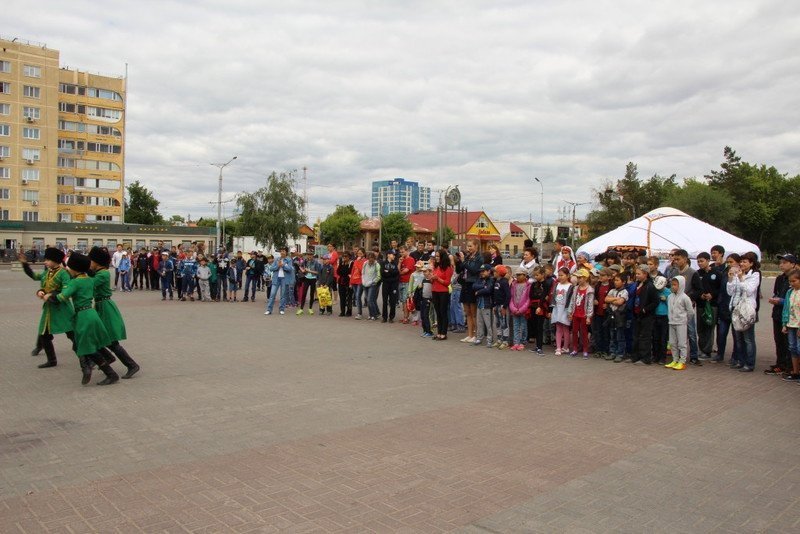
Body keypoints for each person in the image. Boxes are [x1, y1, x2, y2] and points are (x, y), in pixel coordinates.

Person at [44, 253, 119, 386]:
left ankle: (109, 373)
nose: (67, 269)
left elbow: (61, 298)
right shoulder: (89, 279)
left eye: (69, 267)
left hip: (83, 316)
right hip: (91, 313)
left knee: (86, 346)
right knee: (84, 343)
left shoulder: (75, 282)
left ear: (74, 269)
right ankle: (100, 363)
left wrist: (47, 296)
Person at [87, 246, 141, 380]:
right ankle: (107, 358)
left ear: (97, 262)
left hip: (105, 307)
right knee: (99, 336)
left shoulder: (103, 274)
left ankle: (131, 365)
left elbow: (89, 283)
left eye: (91, 261)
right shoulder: (99, 272)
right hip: (100, 306)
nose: (90, 263)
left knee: (111, 341)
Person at [19, 248, 76, 370]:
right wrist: (25, 264)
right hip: (49, 310)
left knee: (72, 334)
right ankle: (52, 360)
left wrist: (52, 295)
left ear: (55, 261)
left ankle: (88, 358)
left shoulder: (63, 273)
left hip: (62, 309)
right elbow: (35, 276)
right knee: (44, 334)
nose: (45, 262)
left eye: (48, 260)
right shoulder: (48, 272)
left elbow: (66, 291)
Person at [727, 251, 761, 372]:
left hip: (747, 310)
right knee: (738, 338)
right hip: (736, 308)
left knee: (748, 338)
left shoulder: (755, 274)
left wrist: (741, 278)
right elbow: (730, 292)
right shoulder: (738, 274)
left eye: (745, 262)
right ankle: (740, 361)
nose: (742, 264)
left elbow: (749, 290)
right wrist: (731, 278)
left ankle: (749, 363)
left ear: (751, 263)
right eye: (741, 261)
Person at [768, 254, 797, 375]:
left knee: (790, 343)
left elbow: (794, 299)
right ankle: (780, 363)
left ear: (793, 264)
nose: (781, 265)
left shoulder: (796, 278)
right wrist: (775, 299)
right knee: (778, 340)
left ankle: (790, 367)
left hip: (792, 316)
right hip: (778, 313)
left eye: (785, 262)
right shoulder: (780, 279)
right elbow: (777, 293)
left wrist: (782, 301)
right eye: (780, 262)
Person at [673, 249, 702, 365]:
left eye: (678, 259)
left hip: (687, 307)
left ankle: (694, 356)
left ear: (685, 259)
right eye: (674, 259)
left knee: (691, 332)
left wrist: (688, 297)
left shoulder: (692, 273)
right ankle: (679, 355)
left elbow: (699, 290)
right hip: (675, 307)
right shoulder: (673, 272)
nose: (676, 261)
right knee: (677, 332)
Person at [630, 266, 659, 365]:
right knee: (636, 336)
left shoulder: (650, 286)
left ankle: (645, 358)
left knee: (645, 337)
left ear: (645, 274)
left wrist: (645, 309)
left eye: (639, 274)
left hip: (646, 316)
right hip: (636, 314)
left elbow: (655, 301)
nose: (637, 276)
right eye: (636, 274)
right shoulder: (637, 284)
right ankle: (635, 356)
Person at [666, 275, 695, 370]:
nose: (673, 286)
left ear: (681, 285)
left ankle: (682, 361)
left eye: (675, 285)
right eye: (672, 284)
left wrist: (685, 319)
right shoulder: (670, 297)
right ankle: (675, 359)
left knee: (682, 343)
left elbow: (690, 311)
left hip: (681, 323)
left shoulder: (685, 298)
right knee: (672, 343)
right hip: (671, 322)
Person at [716, 253, 740, 364]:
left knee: (736, 335)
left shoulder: (740, 274)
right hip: (724, 307)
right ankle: (720, 354)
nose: (729, 264)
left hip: (735, 308)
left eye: (732, 262)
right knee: (721, 333)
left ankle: (735, 356)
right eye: (728, 262)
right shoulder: (725, 273)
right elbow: (722, 289)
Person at [459, 240, 483, 343]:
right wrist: (459, 261)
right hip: (465, 284)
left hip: (472, 284)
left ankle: (476, 334)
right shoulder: (468, 257)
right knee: (467, 312)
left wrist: (464, 261)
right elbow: (460, 269)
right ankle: (469, 334)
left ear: (476, 246)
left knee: (474, 312)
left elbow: (474, 270)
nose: (468, 248)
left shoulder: (479, 258)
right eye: (468, 246)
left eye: (470, 246)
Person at [567, 269, 594, 358]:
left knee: (584, 333)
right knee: (574, 331)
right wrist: (570, 312)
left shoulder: (590, 290)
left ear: (585, 278)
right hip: (575, 313)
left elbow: (590, 304)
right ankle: (575, 349)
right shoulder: (575, 288)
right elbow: (572, 301)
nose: (578, 279)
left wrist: (589, 316)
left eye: (580, 277)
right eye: (577, 277)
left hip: (584, 314)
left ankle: (585, 349)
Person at [780, 269, 800, 381]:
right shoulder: (790, 292)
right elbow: (786, 308)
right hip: (791, 324)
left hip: (798, 325)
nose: (792, 283)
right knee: (792, 348)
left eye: (794, 281)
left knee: (799, 348)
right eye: (790, 281)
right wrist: (784, 323)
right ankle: (795, 372)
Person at [606, 273, 629, 363]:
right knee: (612, 335)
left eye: (617, 280)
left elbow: (620, 302)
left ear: (623, 282)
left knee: (620, 336)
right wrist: (615, 299)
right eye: (614, 280)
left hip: (620, 316)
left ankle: (620, 353)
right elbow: (606, 299)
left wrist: (613, 300)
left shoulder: (625, 292)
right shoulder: (612, 290)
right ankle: (612, 352)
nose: (615, 282)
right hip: (611, 315)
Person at [431, 249, 453, 340]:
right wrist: (431, 277)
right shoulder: (436, 267)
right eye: (435, 256)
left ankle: (444, 333)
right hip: (434, 291)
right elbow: (433, 280)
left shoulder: (448, 268)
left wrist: (437, 278)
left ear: (442, 257)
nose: (436, 258)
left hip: (443, 292)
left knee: (443, 312)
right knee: (438, 313)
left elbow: (447, 282)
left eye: (438, 256)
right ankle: (439, 332)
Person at [551, 267, 573, 356]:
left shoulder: (571, 286)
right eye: (559, 275)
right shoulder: (557, 285)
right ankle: (558, 347)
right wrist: (551, 307)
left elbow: (572, 299)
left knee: (565, 328)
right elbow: (553, 297)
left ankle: (566, 347)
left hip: (565, 309)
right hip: (557, 308)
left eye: (562, 275)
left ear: (567, 275)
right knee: (558, 327)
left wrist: (570, 311)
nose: (560, 277)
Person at [508, 267, 532, 351]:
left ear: (525, 275)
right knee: (516, 327)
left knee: (523, 326)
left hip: (523, 310)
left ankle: (522, 342)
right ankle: (516, 342)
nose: (518, 277)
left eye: (520, 275)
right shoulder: (514, 285)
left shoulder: (528, 285)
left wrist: (522, 309)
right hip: (515, 309)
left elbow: (528, 299)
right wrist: (513, 308)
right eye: (517, 275)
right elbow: (511, 297)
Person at [527, 266, 549, 355]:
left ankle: (540, 347)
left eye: (537, 275)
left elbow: (544, 296)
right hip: (533, 307)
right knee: (535, 327)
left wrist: (540, 304)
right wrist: (539, 296)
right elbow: (531, 295)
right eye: (534, 275)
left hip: (541, 307)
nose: (535, 277)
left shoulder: (546, 284)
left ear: (543, 274)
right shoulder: (534, 284)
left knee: (540, 327)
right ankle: (536, 346)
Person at [472, 264, 495, 347]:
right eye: (481, 271)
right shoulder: (480, 279)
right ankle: (479, 338)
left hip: (487, 305)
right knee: (480, 322)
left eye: (483, 271)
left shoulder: (491, 279)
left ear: (489, 271)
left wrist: (478, 292)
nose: (481, 273)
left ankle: (489, 339)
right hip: (479, 304)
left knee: (488, 324)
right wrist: (483, 287)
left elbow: (488, 290)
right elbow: (474, 286)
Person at [593, 269, 612, 359]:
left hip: (606, 313)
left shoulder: (611, 286)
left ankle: (606, 350)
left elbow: (613, 298)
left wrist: (608, 304)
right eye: (600, 275)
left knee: (606, 332)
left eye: (603, 275)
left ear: (608, 277)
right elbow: (594, 296)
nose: (600, 277)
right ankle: (598, 349)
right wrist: (595, 300)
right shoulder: (598, 285)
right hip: (598, 312)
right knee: (598, 331)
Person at [652, 275, 670, 365]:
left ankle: (663, 357)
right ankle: (655, 356)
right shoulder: (655, 291)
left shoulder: (668, 292)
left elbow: (671, 304)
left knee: (663, 338)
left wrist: (666, 299)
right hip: (655, 316)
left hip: (664, 317)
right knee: (655, 337)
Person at [493, 265, 510, 349]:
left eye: (495, 272)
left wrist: (505, 307)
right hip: (497, 305)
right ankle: (499, 339)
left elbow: (508, 295)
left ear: (499, 273)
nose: (493, 273)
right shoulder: (496, 281)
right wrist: (494, 305)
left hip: (503, 305)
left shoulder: (504, 282)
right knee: (498, 323)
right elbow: (495, 294)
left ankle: (505, 341)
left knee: (504, 323)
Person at [380, 251, 399, 322]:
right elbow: (382, 273)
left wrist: (388, 271)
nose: (394, 256)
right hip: (385, 284)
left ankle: (391, 317)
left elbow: (397, 274)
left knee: (393, 301)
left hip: (393, 285)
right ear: (388, 255)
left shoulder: (396, 263)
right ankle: (384, 317)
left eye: (394, 255)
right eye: (392, 254)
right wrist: (391, 272)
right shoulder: (383, 263)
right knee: (385, 301)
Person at [398, 247, 416, 323]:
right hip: (401, 281)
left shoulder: (411, 260)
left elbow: (405, 271)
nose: (401, 254)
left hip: (407, 282)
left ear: (407, 251)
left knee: (405, 300)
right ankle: (405, 316)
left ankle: (406, 317)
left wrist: (400, 272)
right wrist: (399, 263)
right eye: (400, 252)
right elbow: (398, 270)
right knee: (402, 300)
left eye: (403, 252)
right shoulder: (401, 260)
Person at [362, 252, 381, 320]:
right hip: (365, 284)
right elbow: (363, 273)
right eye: (369, 259)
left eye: (372, 259)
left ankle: (374, 315)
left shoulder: (377, 265)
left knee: (370, 300)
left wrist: (373, 282)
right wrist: (363, 281)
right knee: (368, 300)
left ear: (374, 259)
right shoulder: (365, 264)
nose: (370, 261)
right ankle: (371, 314)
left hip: (372, 285)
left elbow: (378, 276)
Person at [418, 264, 434, 337]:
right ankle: (425, 330)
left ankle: (429, 331)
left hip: (428, 299)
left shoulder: (432, 280)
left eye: (425, 271)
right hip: (423, 299)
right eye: (423, 272)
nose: (424, 273)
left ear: (430, 271)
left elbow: (433, 290)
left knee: (426, 315)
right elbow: (422, 289)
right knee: (422, 316)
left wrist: (430, 299)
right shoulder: (424, 280)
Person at [350, 248, 367, 319]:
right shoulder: (355, 261)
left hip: (360, 281)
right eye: (358, 253)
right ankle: (359, 312)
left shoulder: (365, 261)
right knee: (357, 297)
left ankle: (359, 313)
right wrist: (350, 282)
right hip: (354, 280)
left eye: (361, 253)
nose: (359, 254)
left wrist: (358, 261)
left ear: (364, 254)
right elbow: (352, 271)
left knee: (357, 296)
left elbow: (362, 271)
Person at [337, 251, 353, 317]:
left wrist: (344, 272)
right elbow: (338, 272)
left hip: (348, 282)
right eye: (343, 256)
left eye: (346, 256)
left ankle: (349, 311)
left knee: (349, 297)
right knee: (342, 297)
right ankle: (342, 311)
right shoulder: (342, 263)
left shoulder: (351, 263)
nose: (344, 258)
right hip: (341, 282)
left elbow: (349, 272)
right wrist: (344, 271)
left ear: (349, 257)